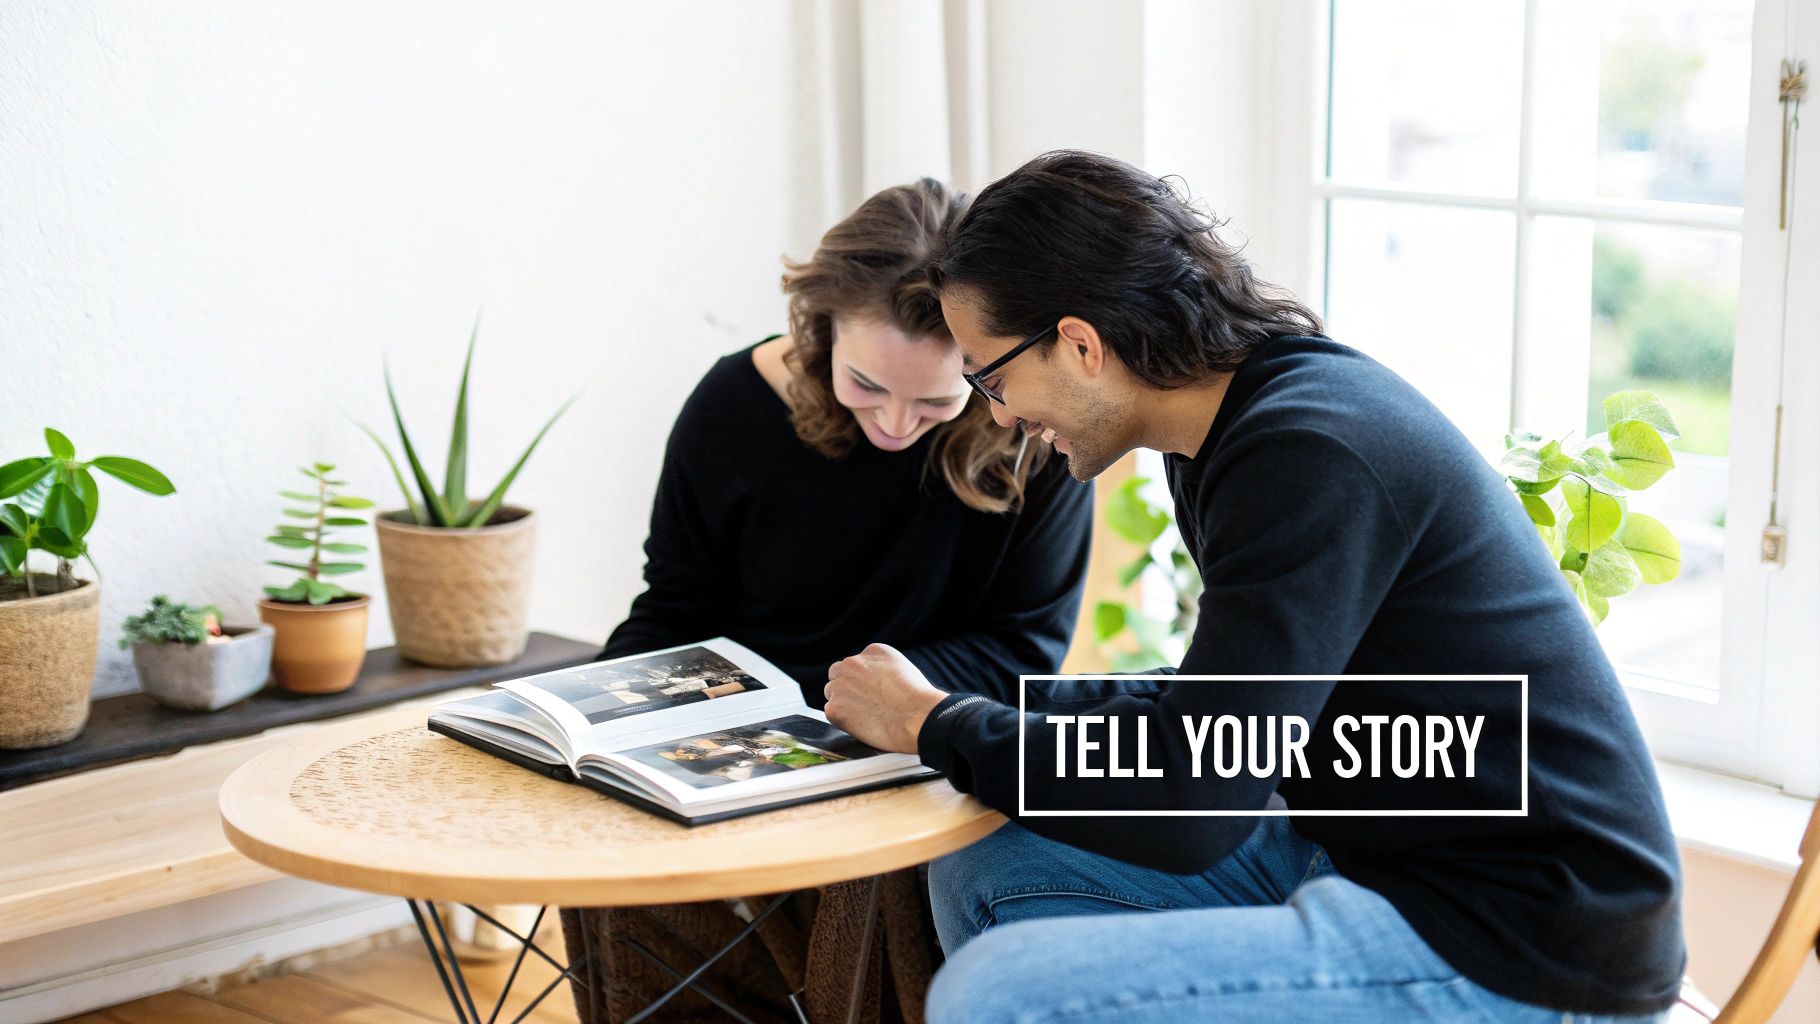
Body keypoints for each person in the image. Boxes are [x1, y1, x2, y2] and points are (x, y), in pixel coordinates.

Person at [823, 151, 1685, 1023]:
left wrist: (937, 723)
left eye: (991, 376)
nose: (998, 414)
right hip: (1369, 857)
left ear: (1080, 344)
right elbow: (1220, 718)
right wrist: (959, 706)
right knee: (989, 865)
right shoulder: (1223, 439)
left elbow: (1195, 806)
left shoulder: (1309, 452)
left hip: (1518, 941)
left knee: (996, 993)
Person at [603, 176, 1094, 709]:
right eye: (866, 384)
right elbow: (676, 609)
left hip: (921, 737)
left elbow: (1022, 653)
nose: (896, 425)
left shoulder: (1039, 435)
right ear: (823, 328)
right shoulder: (733, 404)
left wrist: (833, 701)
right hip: (723, 721)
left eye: (935, 400)